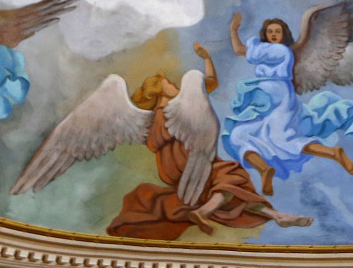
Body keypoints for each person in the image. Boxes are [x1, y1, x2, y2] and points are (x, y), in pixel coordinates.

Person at [108, 43, 312, 239]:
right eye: (168, 84)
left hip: (176, 164)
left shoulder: (159, 116)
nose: (174, 85)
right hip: (186, 160)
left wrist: (206, 59)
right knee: (230, 174)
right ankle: (203, 212)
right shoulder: (166, 114)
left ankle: (277, 216)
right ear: (158, 91)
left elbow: (209, 85)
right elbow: (204, 89)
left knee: (232, 186)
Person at [221, 12, 353, 196]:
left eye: (277, 31)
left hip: (277, 97)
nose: (273, 35)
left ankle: (332, 153)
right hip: (266, 97)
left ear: (284, 35)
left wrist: (234, 30)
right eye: (270, 31)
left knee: (281, 139)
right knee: (239, 134)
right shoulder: (269, 49)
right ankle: (265, 169)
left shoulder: (280, 51)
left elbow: (240, 50)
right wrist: (233, 30)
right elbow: (241, 50)